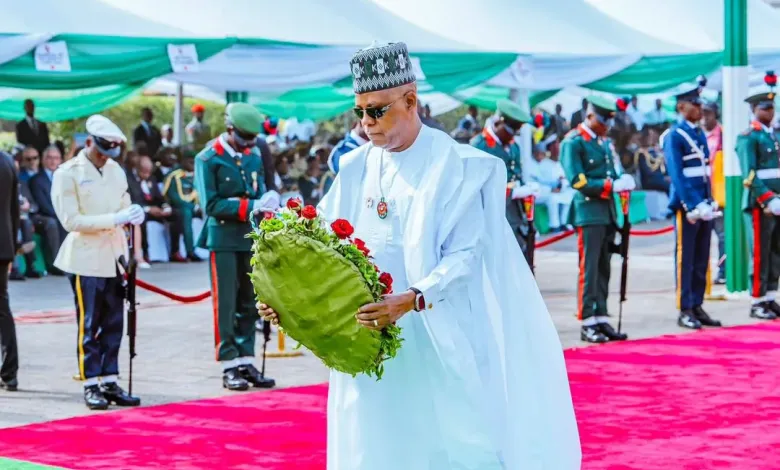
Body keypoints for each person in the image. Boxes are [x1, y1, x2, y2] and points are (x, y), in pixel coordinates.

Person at [259, 41, 580, 470]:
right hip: (367, 337)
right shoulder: (356, 167)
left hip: (437, 330)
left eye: (376, 110)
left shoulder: (461, 167)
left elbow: (465, 257)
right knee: (373, 441)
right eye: (359, 112)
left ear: (410, 101)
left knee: (449, 438)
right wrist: (287, 299)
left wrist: (411, 298)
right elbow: (318, 247)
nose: (366, 122)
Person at [50, 115, 145, 410]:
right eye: (102, 150)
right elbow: (70, 220)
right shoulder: (68, 173)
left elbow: (122, 202)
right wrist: (114, 218)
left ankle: (110, 377)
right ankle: (91, 382)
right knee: (89, 324)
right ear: (89, 142)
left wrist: (131, 213)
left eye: (111, 151)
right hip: (85, 257)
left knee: (114, 322)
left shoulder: (115, 169)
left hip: (113, 255)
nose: (106, 157)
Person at [194, 103, 280, 391]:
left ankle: (246, 359)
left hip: (250, 237)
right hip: (223, 239)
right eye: (244, 137)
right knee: (227, 304)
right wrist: (254, 204)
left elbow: (256, 190)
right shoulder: (208, 159)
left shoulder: (253, 155)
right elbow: (211, 204)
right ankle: (228, 364)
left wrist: (266, 201)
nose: (250, 144)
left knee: (250, 302)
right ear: (229, 129)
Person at [560, 96, 634, 344]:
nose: (607, 126)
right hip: (589, 212)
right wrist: (610, 185)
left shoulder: (603, 143)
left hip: (607, 212)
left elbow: (613, 170)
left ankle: (601, 316)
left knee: (604, 266)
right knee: (589, 268)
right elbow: (578, 181)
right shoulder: (574, 142)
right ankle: (586, 320)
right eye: (603, 121)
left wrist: (621, 179)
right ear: (590, 116)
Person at [662, 76, 722, 329]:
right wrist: (693, 205)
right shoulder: (674, 135)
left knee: (701, 257)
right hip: (688, 207)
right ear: (681, 107)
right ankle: (684, 307)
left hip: (703, 205)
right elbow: (677, 175)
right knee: (685, 258)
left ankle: (697, 304)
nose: (700, 109)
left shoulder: (697, 133)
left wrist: (709, 201)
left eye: (700, 104)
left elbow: (703, 172)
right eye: (694, 104)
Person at [471, 99, 539, 259]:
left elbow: (517, 175)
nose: (512, 136)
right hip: (491, 217)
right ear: (498, 123)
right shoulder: (479, 145)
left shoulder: (513, 146)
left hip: (515, 216)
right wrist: (512, 191)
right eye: (509, 131)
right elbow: (476, 187)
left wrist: (527, 189)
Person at [737, 73, 780, 319]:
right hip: (759, 204)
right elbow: (749, 174)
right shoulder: (748, 137)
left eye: (772, 107)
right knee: (760, 252)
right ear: (755, 109)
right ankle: (757, 300)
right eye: (765, 108)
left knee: (776, 251)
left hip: (777, 201)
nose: (770, 111)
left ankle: (770, 295)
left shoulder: (772, 135)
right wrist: (768, 198)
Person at [0, 150, 20, 391]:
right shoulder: (6, 160)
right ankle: (9, 371)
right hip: (3, 245)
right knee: (2, 308)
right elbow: (15, 211)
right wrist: (12, 247)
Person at [163, 151, 203, 262]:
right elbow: (173, 197)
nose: (192, 164)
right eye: (189, 161)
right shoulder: (174, 176)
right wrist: (192, 206)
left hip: (194, 207)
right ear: (183, 161)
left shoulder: (197, 175)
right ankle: (190, 251)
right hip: (178, 208)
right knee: (186, 213)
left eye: (193, 161)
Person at [703, 102, 726, 284]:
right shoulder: (697, 135)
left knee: (722, 235)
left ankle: (723, 271)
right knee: (702, 236)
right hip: (701, 193)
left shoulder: (723, 135)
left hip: (718, 193)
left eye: (708, 113)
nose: (704, 117)